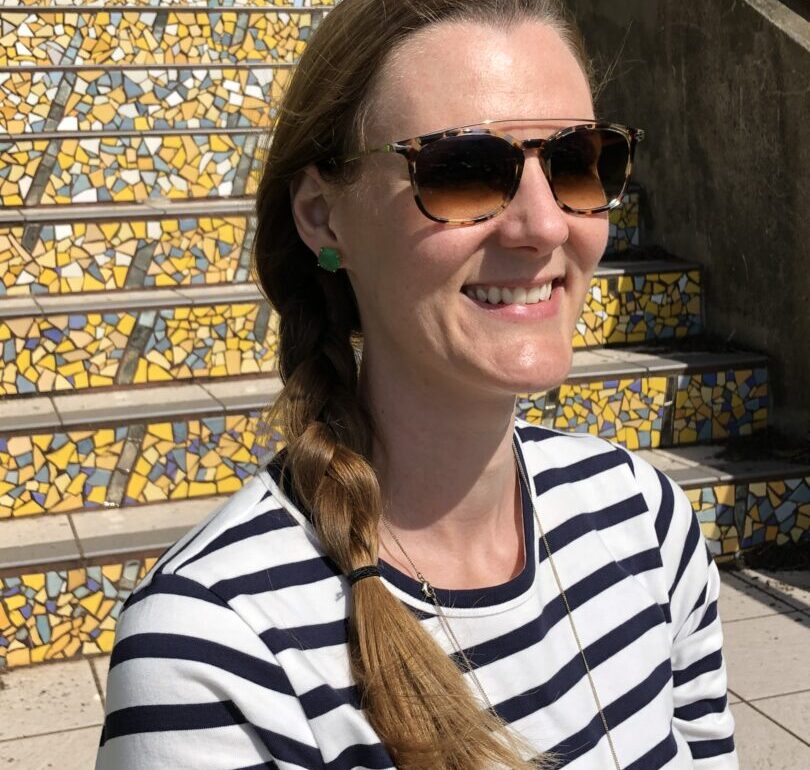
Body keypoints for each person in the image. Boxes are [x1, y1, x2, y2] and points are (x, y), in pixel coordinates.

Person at [95, 1, 739, 768]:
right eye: (463, 170)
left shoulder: (642, 518)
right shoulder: (212, 657)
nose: (544, 226)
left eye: (577, 161)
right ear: (322, 215)